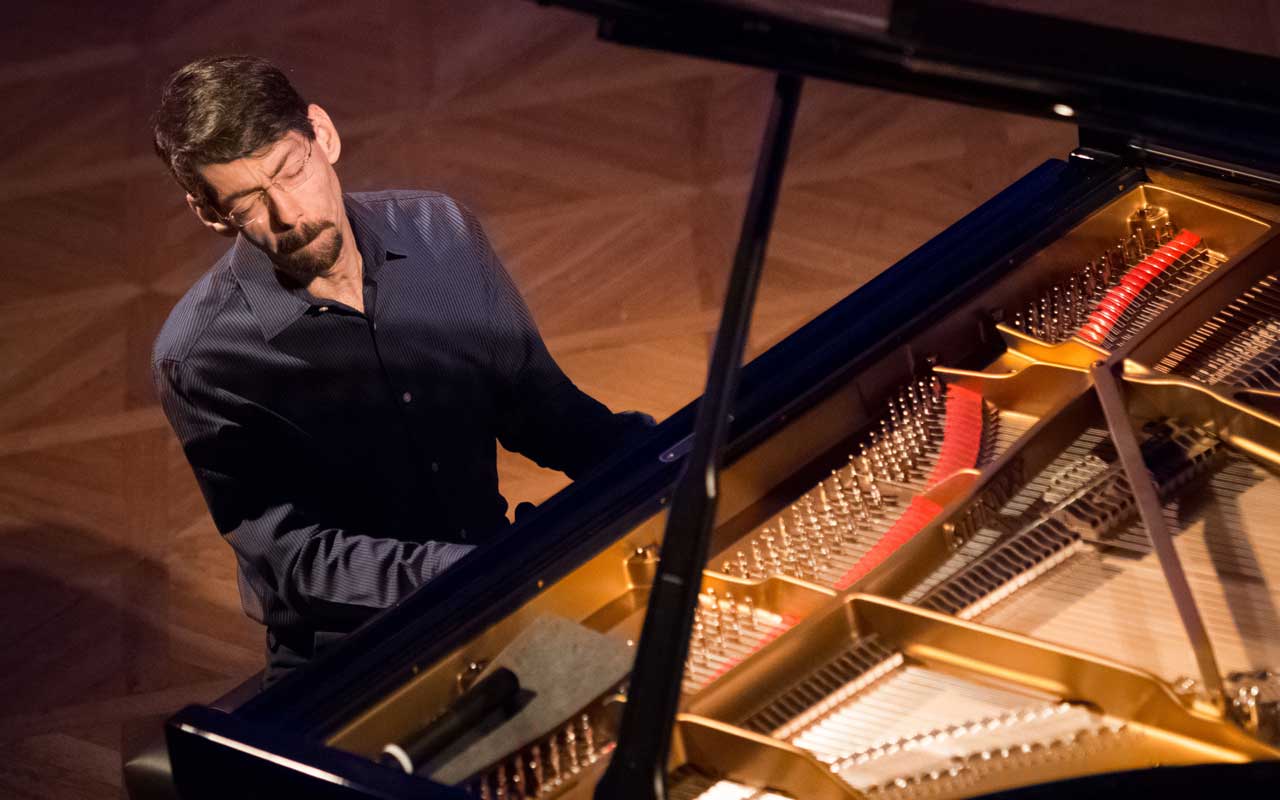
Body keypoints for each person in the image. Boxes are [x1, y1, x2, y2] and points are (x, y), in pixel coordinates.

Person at [150, 55, 652, 685]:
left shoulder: (441, 233)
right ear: (210, 212)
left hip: (499, 584)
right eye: (250, 201)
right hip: (354, 652)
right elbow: (299, 563)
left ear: (323, 135)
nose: (289, 214)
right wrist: (481, 572)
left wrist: (667, 458)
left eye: (291, 171)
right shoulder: (203, 356)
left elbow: (539, 406)